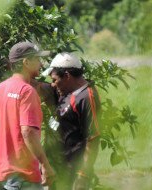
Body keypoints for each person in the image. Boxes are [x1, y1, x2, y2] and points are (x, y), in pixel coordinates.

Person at [0, 41, 55, 190]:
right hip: (21, 176)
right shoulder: (27, 91)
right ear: (26, 62)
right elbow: (28, 132)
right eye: (37, 59)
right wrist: (45, 165)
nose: (40, 64)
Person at [37, 52, 101, 190]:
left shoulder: (86, 97)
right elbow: (39, 87)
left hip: (71, 173)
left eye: (54, 80)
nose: (53, 85)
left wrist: (83, 176)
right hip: (54, 170)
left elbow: (93, 139)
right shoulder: (64, 90)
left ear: (67, 76)